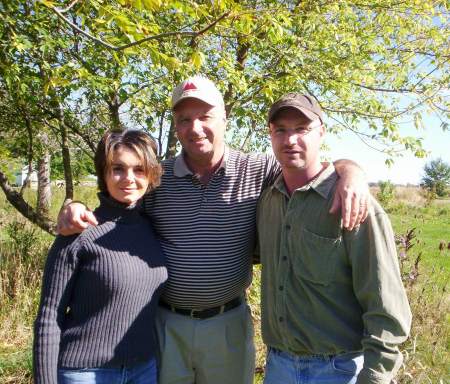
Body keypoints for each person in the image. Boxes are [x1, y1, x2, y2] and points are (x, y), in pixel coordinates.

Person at [57, 75, 370, 384]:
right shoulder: (157, 178)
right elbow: (117, 208)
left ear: (224, 118)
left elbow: (311, 168)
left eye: (205, 116)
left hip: (228, 325)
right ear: (176, 126)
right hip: (166, 325)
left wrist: (351, 172)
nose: (195, 128)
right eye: (184, 119)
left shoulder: (259, 169)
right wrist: (73, 206)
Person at [257, 93, 412, 384]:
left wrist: (376, 376)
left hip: (338, 369)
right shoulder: (269, 201)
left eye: (302, 129)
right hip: (278, 365)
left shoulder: (353, 204)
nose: (290, 140)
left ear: (321, 132)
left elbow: (385, 303)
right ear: (271, 134)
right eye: (281, 130)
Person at [33, 130, 168, 384]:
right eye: (118, 168)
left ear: (150, 175)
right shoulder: (78, 233)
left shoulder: (152, 226)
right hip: (84, 374)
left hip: (144, 370)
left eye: (139, 170)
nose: (129, 178)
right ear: (104, 173)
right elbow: (49, 317)